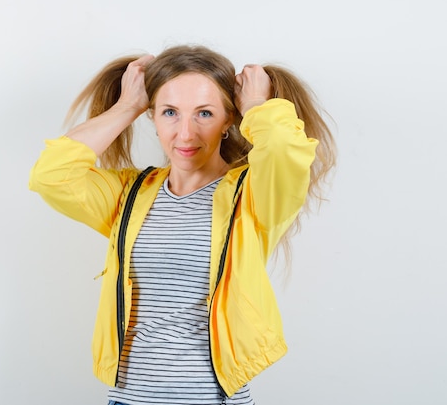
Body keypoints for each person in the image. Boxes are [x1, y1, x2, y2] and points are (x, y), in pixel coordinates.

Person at [29, 45, 336, 405]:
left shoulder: (252, 196)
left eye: (204, 113)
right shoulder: (130, 195)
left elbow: (286, 151)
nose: (186, 133)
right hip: (128, 400)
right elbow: (51, 176)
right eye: (170, 112)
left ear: (228, 121)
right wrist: (127, 106)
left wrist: (255, 106)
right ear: (152, 116)